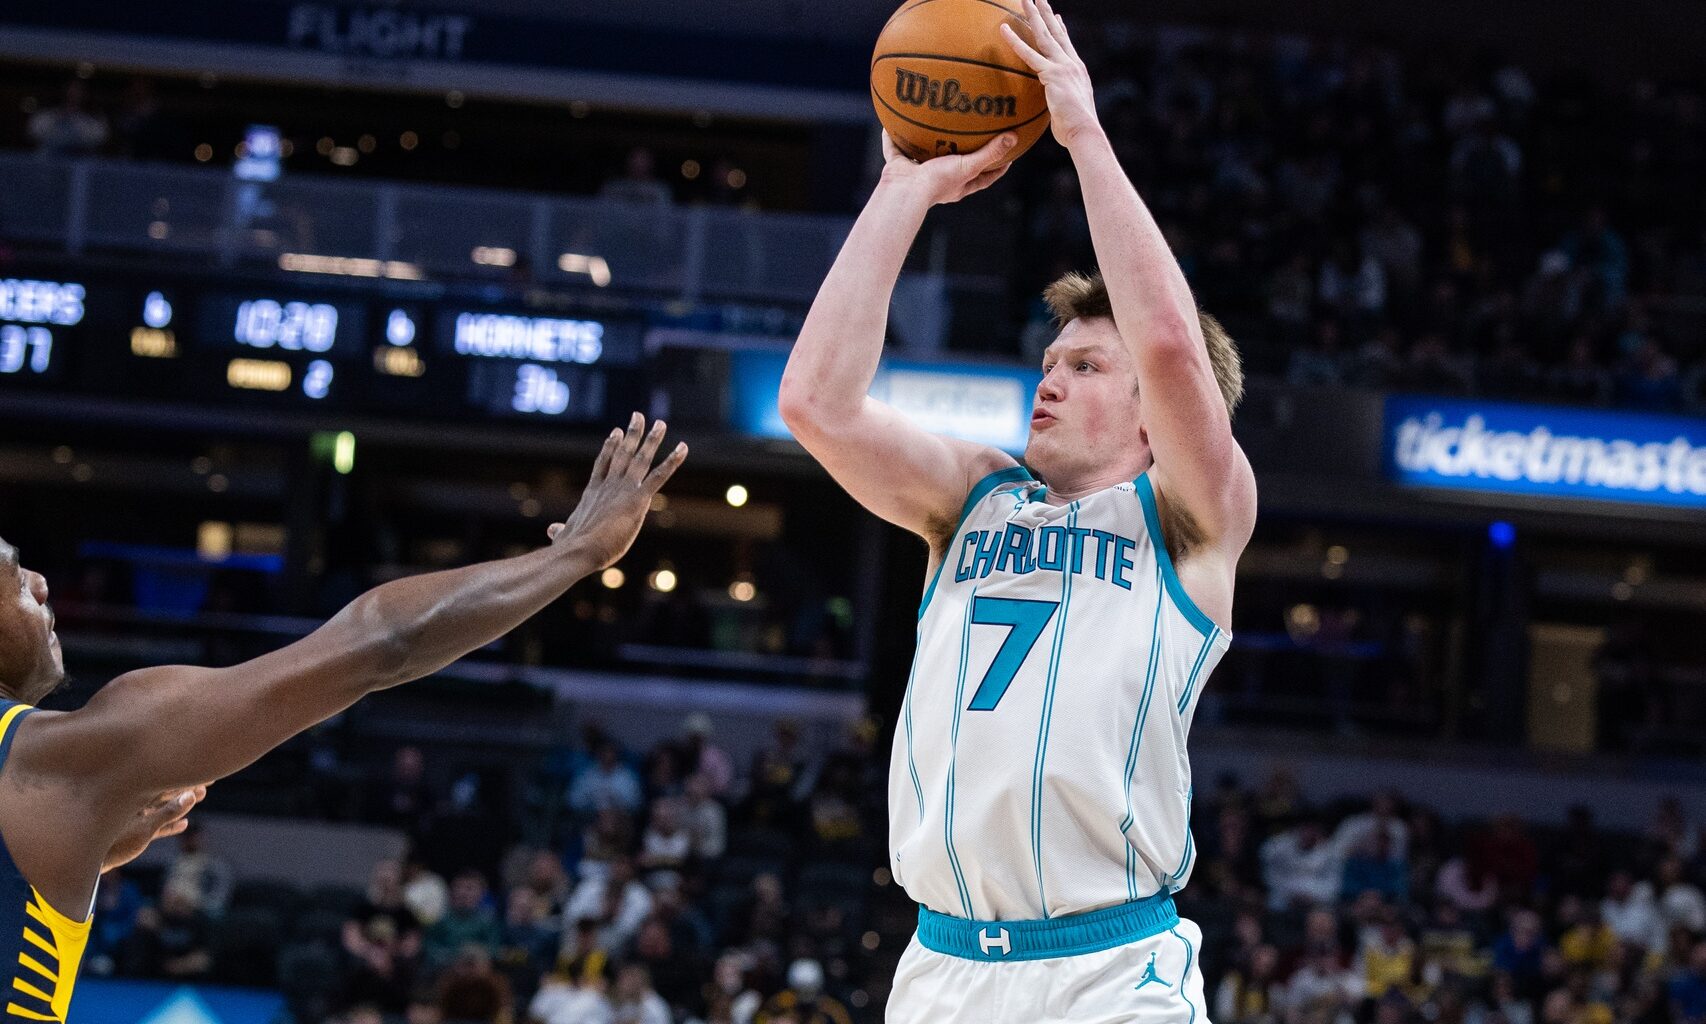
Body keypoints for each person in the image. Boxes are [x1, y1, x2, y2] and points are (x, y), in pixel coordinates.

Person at [777, 1, 1254, 1018]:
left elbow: (1169, 344)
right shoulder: (971, 498)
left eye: (1084, 365)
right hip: (941, 968)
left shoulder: (1191, 517)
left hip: (1109, 971)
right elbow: (814, 404)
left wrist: (1080, 130)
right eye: (1047, 362)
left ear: (1149, 414)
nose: (1048, 380)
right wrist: (901, 190)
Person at [0, 413, 685, 1019]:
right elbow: (381, 645)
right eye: (11, 577)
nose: (40, 584)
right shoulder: (57, 764)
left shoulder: (55, 789)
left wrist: (80, 854)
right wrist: (576, 553)